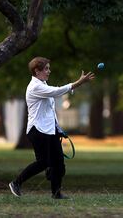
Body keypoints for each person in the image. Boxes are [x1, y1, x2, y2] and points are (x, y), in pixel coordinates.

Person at [9, 57, 95, 199]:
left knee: (59, 164)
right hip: (37, 131)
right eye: (46, 69)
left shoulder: (43, 84)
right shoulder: (36, 87)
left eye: (49, 68)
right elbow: (57, 91)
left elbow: (50, 112)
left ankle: (56, 193)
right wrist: (79, 83)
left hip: (49, 130)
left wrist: (58, 129)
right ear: (37, 71)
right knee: (44, 162)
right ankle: (16, 183)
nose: (49, 71)